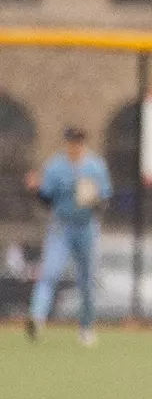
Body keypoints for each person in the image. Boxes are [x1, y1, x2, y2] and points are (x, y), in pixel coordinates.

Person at [25, 125, 111, 345]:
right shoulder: (55, 167)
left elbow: (104, 199)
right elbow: (46, 199)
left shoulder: (95, 166)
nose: (75, 146)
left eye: (79, 142)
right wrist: (36, 188)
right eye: (72, 142)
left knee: (87, 280)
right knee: (49, 273)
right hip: (62, 226)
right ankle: (37, 317)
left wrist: (94, 200)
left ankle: (86, 326)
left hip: (86, 227)